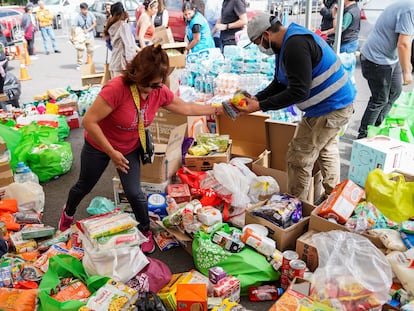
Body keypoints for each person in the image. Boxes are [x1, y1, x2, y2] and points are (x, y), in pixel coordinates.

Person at [58, 45, 224, 254]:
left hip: (129, 147)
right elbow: (90, 121)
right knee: (84, 185)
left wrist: (219, 109)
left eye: (156, 85)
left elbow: (188, 108)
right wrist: (111, 152)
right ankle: (68, 213)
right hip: (100, 145)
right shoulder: (116, 89)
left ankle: (145, 231)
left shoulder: (158, 91)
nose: (150, 91)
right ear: (135, 74)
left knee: (135, 192)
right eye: (147, 85)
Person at [239, 13, 356, 201]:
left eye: (257, 42)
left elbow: (298, 92)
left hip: (329, 107)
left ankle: (295, 207)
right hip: (336, 104)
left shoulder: (294, 46)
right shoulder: (286, 42)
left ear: (266, 35)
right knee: (326, 149)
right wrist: (257, 98)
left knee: (298, 157)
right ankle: (335, 200)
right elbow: (280, 82)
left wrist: (260, 106)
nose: (259, 47)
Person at [357, 1, 414, 139]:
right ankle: (364, 136)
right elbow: (403, 44)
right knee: (380, 99)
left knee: (395, 92)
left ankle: (376, 128)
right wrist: (407, 71)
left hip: (390, 59)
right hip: (376, 59)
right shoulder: (410, 9)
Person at [104, 2, 140, 78]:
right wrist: (131, 64)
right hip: (122, 65)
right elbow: (129, 46)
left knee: (115, 88)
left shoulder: (112, 26)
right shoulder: (123, 26)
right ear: (123, 12)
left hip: (114, 63)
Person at [72, 2, 96, 70]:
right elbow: (74, 27)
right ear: (81, 9)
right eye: (84, 10)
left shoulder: (90, 14)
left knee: (91, 50)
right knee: (80, 50)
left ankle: (89, 62)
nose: (85, 11)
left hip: (90, 34)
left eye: (86, 9)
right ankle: (79, 64)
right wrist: (73, 37)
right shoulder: (78, 17)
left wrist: (88, 29)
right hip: (81, 35)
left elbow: (94, 24)